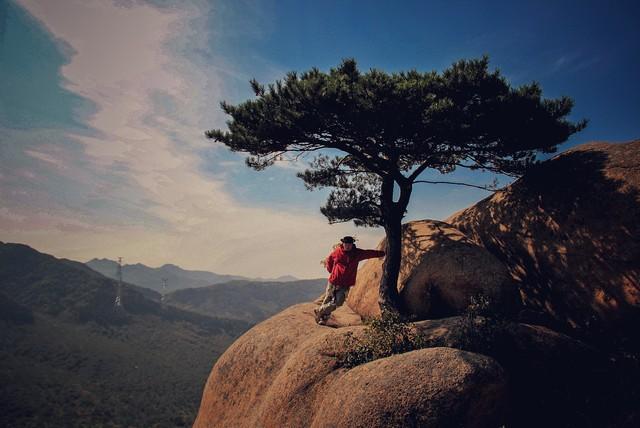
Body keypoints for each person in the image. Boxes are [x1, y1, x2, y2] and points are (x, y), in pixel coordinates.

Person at [314, 236, 385, 325]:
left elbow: (368, 253)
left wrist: (382, 253)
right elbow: (329, 260)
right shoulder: (337, 252)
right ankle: (322, 319)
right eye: (346, 244)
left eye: (349, 244)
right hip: (333, 281)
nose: (347, 246)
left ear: (352, 244)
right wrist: (332, 271)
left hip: (345, 284)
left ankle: (320, 310)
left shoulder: (357, 253)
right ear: (343, 244)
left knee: (339, 302)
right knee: (327, 300)